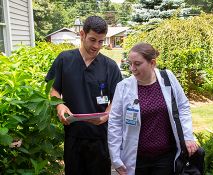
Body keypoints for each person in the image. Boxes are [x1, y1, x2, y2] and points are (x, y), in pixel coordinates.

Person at [108, 42, 199, 175]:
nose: (132, 68)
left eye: (137, 64)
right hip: (135, 158)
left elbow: (183, 106)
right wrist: (115, 158)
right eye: (130, 63)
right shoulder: (123, 87)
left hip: (165, 157)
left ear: (152, 63)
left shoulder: (168, 78)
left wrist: (187, 136)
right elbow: (115, 123)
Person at [47, 16, 122, 175]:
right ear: (82, 34)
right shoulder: (64, 60)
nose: (96, 46)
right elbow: (53, 90)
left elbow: (118, 98)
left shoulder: (110, 66)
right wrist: (59, 105)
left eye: (101, 41)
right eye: (92, 40)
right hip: (73, 135)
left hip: (100, 137)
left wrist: (106, 115)